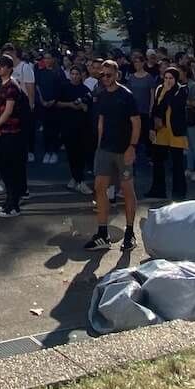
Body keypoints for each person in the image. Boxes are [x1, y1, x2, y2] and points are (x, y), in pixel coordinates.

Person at [84, 60, 140, 252]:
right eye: (103, 75)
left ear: (116, 74)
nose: (105, 78)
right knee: (100, 188)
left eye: (109, 75)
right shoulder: (101, 95)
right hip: (105, 150)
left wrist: (132, 147)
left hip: (123, 149)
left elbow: (136, 123)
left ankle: (129, 232)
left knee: (127, 190)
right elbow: (101, 121)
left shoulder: (126, 95)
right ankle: (102, 234)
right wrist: (99, 147)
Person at [0, 57, 29, 216]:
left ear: (8, 68)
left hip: (13, 132)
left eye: (2, 66)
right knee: (4, 168)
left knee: (12, 169)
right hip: (3, 131)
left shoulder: (12, 86)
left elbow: (8, 110)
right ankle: (9, 201)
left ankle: (13, 205)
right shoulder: (2, 84)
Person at [147, 66, 189, 201]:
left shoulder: (182, 90)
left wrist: (168, 91)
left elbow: (175, 104)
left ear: (176, 79)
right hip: (161, 129)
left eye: (171, 78)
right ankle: (158, 190)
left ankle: (179, 192)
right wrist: (151, 127)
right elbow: (155, 108)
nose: (168, 80)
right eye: (166, 78)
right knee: (158, 161)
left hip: (175, 130)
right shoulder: (160, 89)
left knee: (177, 163)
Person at [59, 61, 96, 195]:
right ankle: (76, 178)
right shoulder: (64, 88)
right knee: (71, 153)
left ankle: (80, 180)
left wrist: (82, 106)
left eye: (77, 74)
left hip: (82, 126)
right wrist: (70, 104)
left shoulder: (85, 90)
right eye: (72, 74)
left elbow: (89, 108)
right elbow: (57, 103)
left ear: (81, 76)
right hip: (67, 125)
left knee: (81, 153)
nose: (74, 76)